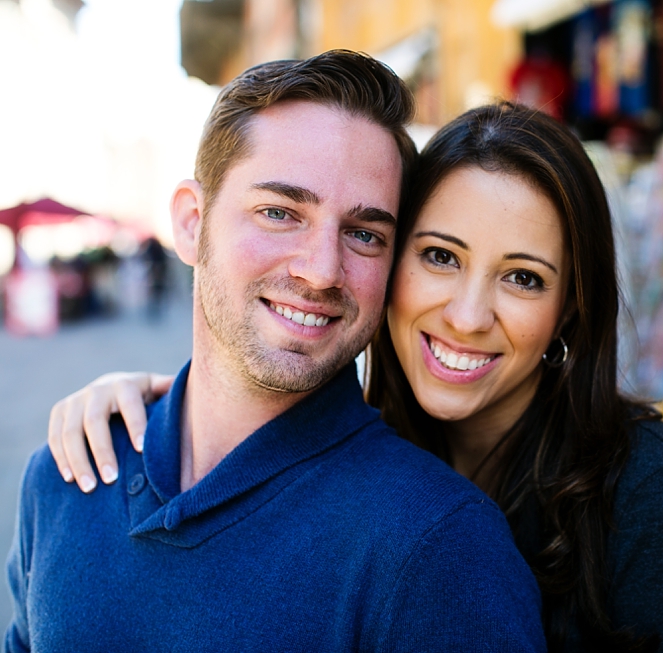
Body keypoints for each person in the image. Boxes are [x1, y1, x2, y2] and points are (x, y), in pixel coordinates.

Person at [45, 104, 663, 651]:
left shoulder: (661, 502)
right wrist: (160, 399)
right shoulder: (364, 447)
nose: (469, 315)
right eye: (441, 257)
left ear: (569, 310)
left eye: (523, 278)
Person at [5, 51, 546, 653]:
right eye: (280, 213)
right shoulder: (63, 477)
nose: (321, 272)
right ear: (191, 222)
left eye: (364, 234)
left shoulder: (439, 547)